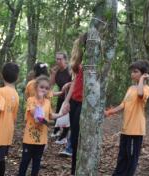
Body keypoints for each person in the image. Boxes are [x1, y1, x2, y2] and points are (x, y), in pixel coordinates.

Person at [104, 60, 149, 176]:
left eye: (135, 72)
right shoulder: (130, 88)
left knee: (131, 158)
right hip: (126, 129)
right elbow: (123, 105)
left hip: (136, 130)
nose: (132, 74)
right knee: (122, 155)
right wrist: (108, 112)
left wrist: (142, 80)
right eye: (132, 72)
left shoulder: (146, 88)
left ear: (144, 74)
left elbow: (140, 95)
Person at [18, 75, 66, 176]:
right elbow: (35, 114)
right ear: (36, 87)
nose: (44, 90)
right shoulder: (31, 100)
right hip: (29, 139)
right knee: (25, 161)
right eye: (41, 87)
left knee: (37, 162)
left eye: (46, 88)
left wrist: (61, 114)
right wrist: (39, 100)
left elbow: (50, 115)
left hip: (41, 139)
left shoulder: (48, 102)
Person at [62, 33, 87, 176]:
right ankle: (74, 170)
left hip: (84, 103)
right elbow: (75, 83)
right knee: (75, 136)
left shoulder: (95, 62)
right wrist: (66, 101)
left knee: (78, 137)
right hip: (75, 102)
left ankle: (77, 169)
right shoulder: (81, 61)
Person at [50, 51, 72, 145]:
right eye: (57, 59)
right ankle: (57, 130)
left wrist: (68, 84)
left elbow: (76, 82)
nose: (58, 61)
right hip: (61, 96)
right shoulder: (58, 71)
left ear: (65, 60)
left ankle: (64, 136)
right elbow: (51, 83)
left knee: (67, 117)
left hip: (71, 97)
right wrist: (53, 73)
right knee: (58, 114)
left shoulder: (70, 70)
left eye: (60, 59)